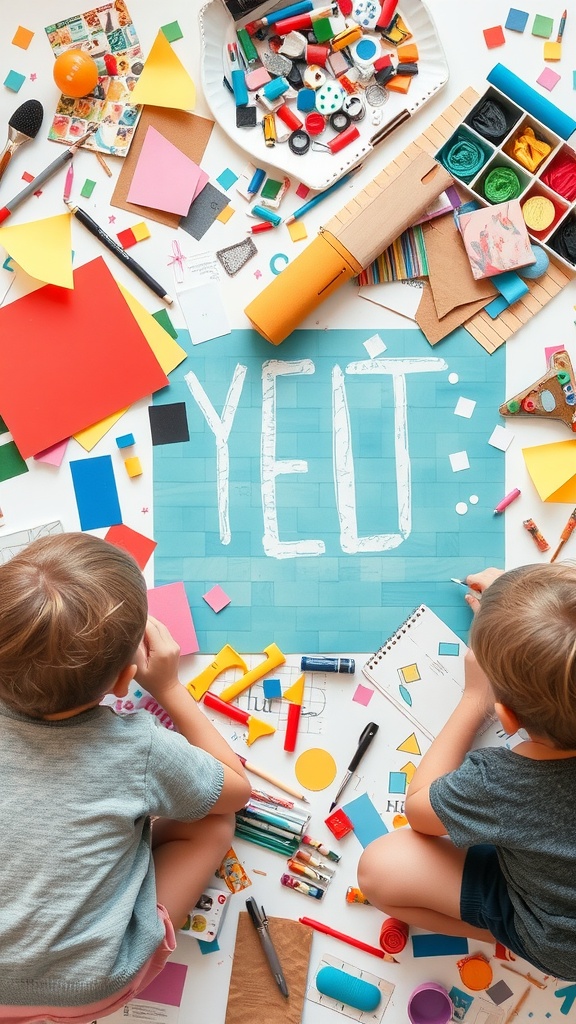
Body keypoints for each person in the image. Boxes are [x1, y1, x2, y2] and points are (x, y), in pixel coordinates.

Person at [0, 532, 251, 1022]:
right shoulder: (139, 745)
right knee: (213, 823)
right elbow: (236, 792)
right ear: (124, 679)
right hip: (93, 987)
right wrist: (170, 688)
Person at [358, 563, 576, 981]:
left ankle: (504, 939)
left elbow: (418, 811)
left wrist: (474, 698)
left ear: (506, 719)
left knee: (378, 868)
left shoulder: (504, 784)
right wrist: (518, 608)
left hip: (558, 945)